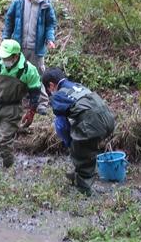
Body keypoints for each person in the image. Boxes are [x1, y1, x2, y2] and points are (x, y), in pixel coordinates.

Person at [41, 68, 116, 196]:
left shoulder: (58, 96)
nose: (49, 93)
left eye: (47, 90)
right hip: (109, 120)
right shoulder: (77, 86)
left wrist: (69, 143)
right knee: (84, 144)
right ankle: (78, 174)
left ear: (51, 85)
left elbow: (61, 126)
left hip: (94, 122)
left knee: (80, 151)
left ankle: (84, 188)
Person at [0, 39, 42, 168]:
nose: (3, 60)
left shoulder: (28, 70)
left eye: (6, 57)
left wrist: (31, 112)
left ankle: (8, 169)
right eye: (2, 57)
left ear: (15, 56)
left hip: (12, 109)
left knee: (4, 143)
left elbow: (35, 93)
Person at [2, 0, 57, 113]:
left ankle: (42, 103)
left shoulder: (45, 4)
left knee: (38, 73)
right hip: (18, 45)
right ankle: (21, 100)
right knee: (18, 73)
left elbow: (50, 24)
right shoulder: (18, 1)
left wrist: (50, 39)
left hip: (36, 46)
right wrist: (6, 38)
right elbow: (9, 20)